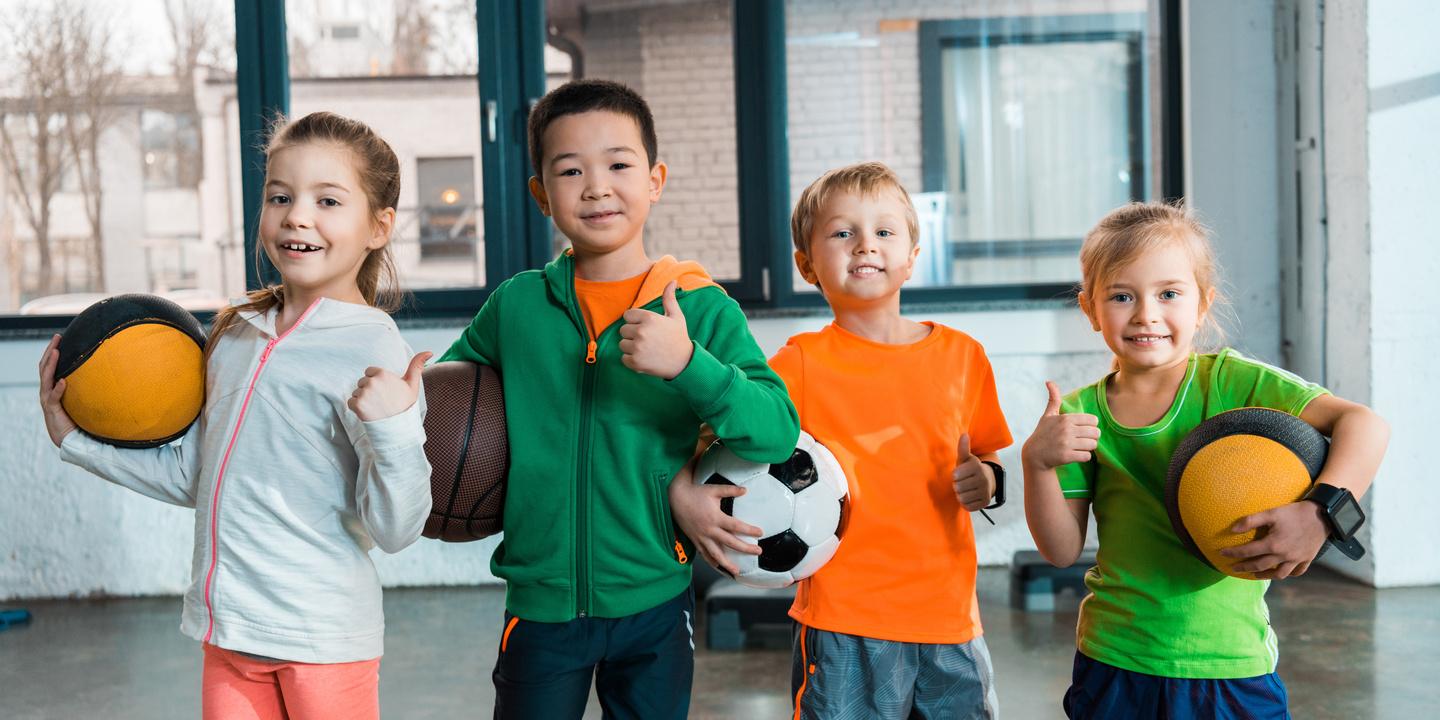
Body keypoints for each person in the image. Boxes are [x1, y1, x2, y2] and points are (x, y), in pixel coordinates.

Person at [38, 111, 432, 720]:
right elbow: (198, 474)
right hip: (229, 632)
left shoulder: (374, 350)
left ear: (379, 227)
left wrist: (396, 431)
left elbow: (397, 529)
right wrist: (76, 442)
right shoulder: (234, 337)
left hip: (321, 639)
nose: (298, 215)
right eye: (281, 196)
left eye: (328, 200)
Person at [436, 78, 799, 719]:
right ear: (541, 196)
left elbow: (773, 431)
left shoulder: (702, 309)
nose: (597, 186)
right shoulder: (517, 305)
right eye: (570, 170)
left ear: (655, 179)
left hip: (655, 601)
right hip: (541, 602)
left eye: (619, 165)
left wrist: (689, 366)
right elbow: (446, 405)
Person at [1022, 201, 1389, 719]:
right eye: (1122, 296)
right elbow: (1061, 552)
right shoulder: (1079, 414)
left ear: (1202, 304)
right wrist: (1035, 463)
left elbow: (1365, 424)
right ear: (1090, 310)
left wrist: (1322, 514)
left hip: (1230, 663)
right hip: (1116, 659)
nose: (1147, 313)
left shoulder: (1234, 383)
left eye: (1169, 294)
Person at [678, 161, 1011, 719]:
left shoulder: (964, 357)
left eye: (884, 231)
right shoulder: (799, 363)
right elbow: (725, 435)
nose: (865, 245)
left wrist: (989, 479)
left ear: (912, 255)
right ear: (806, 265)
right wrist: (686, 489)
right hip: (842, 622)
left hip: (949, 618)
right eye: (842, 232)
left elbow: (988, 456)